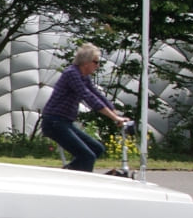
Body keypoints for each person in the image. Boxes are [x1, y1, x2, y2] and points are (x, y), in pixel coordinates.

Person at [40, 42, 130, 172]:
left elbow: (96, 93)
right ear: (86, 62)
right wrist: (114, 118)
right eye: (96, 62)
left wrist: (115, 112)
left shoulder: (83, 76)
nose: (98, 66)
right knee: (87, 156)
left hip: (65, 122)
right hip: (54, 122)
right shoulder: (71, 74)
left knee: (97, 149)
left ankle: (67, 174)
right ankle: (82, 187)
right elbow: (88, 97)